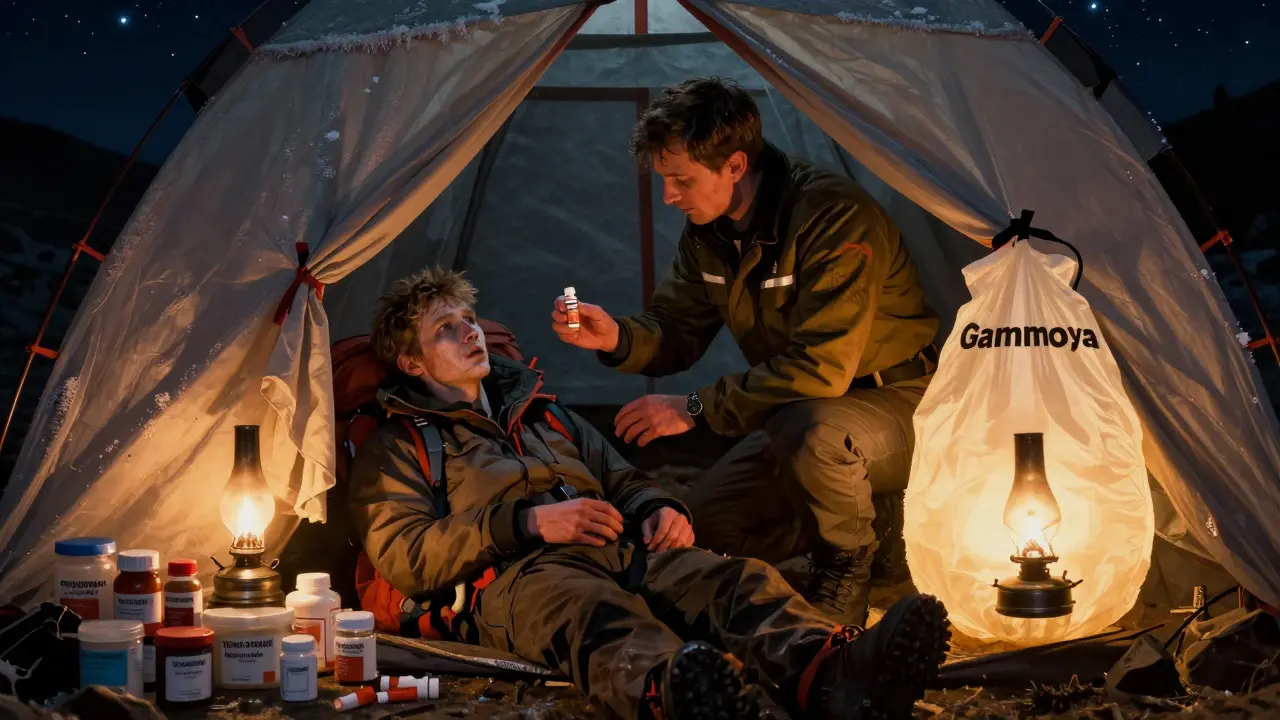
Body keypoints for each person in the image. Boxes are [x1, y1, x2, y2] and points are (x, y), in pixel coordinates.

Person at [349, 267, 950, 720]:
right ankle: (686, 696)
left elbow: (623, 477)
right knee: (597, 616)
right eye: (444, 330)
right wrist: (531, 523)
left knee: (734, 580)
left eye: (470, 321)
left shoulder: (544, 415)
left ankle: (838, 672)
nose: (470, 334)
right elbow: (406, 557)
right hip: (517, 580)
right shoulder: (397, 447)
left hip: (619, 551)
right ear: (409, 358)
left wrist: (658, 507)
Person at [551, 77, 939, 627]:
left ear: (734, 165)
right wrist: (615, 336)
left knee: (818, 434)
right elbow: (677, 327)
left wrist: (692, 409)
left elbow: (820, 367)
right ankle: (847, 539)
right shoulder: (709, 232)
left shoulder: (832, 216)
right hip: (796, 419)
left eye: (681, 180)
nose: (669, 197)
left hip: (899, 405)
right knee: (706, 532)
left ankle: (847, 576)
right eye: (664, 180)